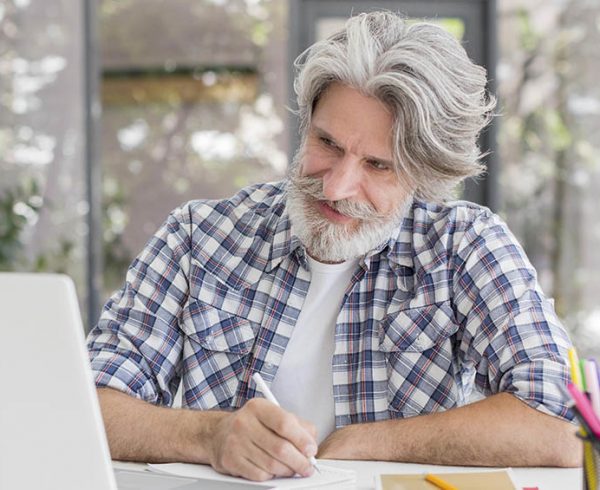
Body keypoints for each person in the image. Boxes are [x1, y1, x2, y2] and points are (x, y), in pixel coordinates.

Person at [88, 11, 580, 482]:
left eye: (378, 166)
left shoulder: (464, 245)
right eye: (327, 143)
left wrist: (369, 442)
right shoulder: (199, 236)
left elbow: (562, 426)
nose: (337, 187)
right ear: (306, 126)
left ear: (424, 178)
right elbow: (86, 405)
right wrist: (209, 435)